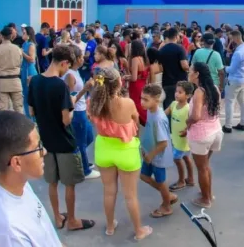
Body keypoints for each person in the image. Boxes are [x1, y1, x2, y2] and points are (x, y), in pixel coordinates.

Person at [28, 45, 94, 232]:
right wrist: (71, 109)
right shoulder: (60, 85)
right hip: (64, 141)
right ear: (64, 63)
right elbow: (66, 120)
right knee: (69, 183)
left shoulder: (35, 81)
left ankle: (57, 217)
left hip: (45, 139)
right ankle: (72, 220)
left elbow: (32, 111)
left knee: (52, 182)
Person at [89, 67, 152, 240]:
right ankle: (139, 230)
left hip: (103, 149)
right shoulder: (127, 103)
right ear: (119, 82)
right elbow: (137, 125)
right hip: (126, 150)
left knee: (109, 191)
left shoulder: (93, 103)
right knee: (130, 195)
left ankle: (110, 226)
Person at [0, 111, 59, 246]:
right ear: (17, 163)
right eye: (37, 147)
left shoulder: (10, 178)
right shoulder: (9, 230)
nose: (44, 151)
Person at [186, 62, 224, 209]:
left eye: (191, 71)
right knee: (206, 166)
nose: (188, 73)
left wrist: (187, 123)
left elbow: (195, 116)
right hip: (215, 131)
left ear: (197, 74)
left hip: (201, 135)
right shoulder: (214, 88)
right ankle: (208, 193)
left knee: (201, 168)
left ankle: (206, 199)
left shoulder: (199, 92)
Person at [139, 84, 177, 218]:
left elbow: (163, 143)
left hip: (158, 156)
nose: (141, 102)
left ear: (157, 100)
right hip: (151, 152)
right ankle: (168, 195)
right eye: (141, 98)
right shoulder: (151, 110)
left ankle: (166, 206)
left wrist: (150, 156)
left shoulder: (159, 119)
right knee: (144, 176)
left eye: (146, 99)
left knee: (161, 181)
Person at [64, 45, 99, 180]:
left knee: (88, 137)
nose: (83, 58)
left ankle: (81, 162)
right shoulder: (70, 75)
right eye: (81, 56)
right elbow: (71, 99)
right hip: (77, 112)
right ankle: (84, 169)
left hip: (82, 110)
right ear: (76, 59)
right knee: (81, 142)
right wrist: (85, 89)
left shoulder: (75, 72)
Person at [166, 81, 195, 192]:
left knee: (177, 159)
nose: (176, 94)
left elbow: (193, 123)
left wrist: (187, 131)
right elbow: (164, 114)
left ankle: (181, 181)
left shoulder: (188, 108)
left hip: (183, 139)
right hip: (176, 138)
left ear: (188, 95)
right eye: (176, 91)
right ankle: (191, 179)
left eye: (180, 92)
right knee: (186, 158)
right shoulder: (173, 104)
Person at [223, 29, 244, 133]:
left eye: (232, 39)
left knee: (229, 102)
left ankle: (228, 126)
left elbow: (232, 69)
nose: (231, 41)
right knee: (243, 101)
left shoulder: (238, 52)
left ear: (236, 38)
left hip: (234, 79)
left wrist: (224, 68)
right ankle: (243, 123)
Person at [0, 26, 24, 114]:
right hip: (15, 81)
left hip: (1, 82)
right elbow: (20, 63)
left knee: (3, 111)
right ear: (11, 36)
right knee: (19, 109)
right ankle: (20, 127)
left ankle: (5, 127)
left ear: (1, 36)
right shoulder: (17, 49)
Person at [158, 28, 189, 110]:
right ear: (176, 36)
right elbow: (184, 66)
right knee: (181, 107)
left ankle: (168, 122)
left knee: (169, 107)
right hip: (180, 83)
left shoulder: (162, 50)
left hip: (167, 82)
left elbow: (160, 68)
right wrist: (189, 69)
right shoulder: (180, 48)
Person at [126, 39, 150, 126]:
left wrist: (126, 78)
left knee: (136, 105)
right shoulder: (144, 59)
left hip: (135, 86)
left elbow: (134, 78)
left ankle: (143, 122)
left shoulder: (135, 59)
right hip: (143, 84)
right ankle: (147, 121)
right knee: (142, 104)